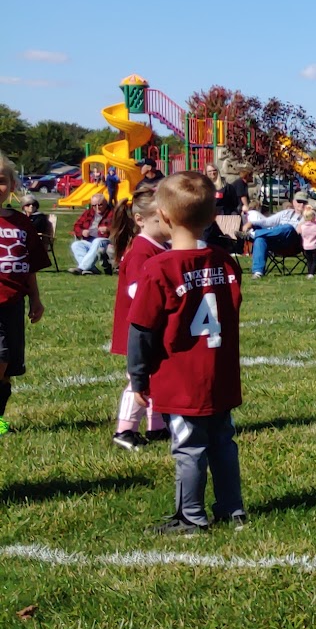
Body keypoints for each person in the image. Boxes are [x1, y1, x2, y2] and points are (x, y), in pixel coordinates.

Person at [125, 172, 245, 534]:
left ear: (162, 214)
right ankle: (232, 508)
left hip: (182, 377)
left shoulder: (159, 267)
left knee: (189, 446)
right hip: (220, 370)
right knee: (223, 441)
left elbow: (142, 330)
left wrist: (139, 377)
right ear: (212, 217)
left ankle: (190, 517)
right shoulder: (226, 261)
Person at [108, 188, 172, 449]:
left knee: (155, 376)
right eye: (161, 219)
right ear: (140, 220)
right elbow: (136, 290)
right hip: (138, 329)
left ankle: (156, 426)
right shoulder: (141, 251)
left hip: (152, 327)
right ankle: (125, 430)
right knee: (137, 380)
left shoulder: (158, 248)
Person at [0, 156, 51, 437]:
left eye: (1, 180)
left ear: (11, 185)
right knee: (1, 357)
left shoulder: (21, 223)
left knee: (8, 369)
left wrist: (36, 299)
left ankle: (0, 420)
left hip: (13, 303)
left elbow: (28, 266)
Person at [246, 196, 306, 278]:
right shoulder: (286, 213)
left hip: (294, 244)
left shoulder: (310, 215)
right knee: (260, 239)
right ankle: (258, 272)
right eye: (299, 201)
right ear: (294, 202)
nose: (302, 204)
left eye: (304, 202)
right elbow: (267, 222)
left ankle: (255, 234)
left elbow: (300, 231)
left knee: (287, 227)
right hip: (277, 243)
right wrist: (252, 223)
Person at [70, 199, 112, 273]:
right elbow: (76, 226)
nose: (97, 207)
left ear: (106, 204)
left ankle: (82, 268)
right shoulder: (88, 213)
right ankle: (91, 269)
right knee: (76, 244)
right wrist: (82, 232)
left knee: (97, 241)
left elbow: (120, 227)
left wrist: (108, 229)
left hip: (107, 241)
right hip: (90, 241)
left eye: (100, 205)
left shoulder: (112, 213)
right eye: (94, 205)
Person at [294, 202, 316, 276]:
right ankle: (312, 273)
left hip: (306, 246)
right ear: (313, 217)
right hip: (315, 246)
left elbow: (298, 232)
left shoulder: (302, 227)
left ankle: (309, 272)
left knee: (309, 260)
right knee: (315, 260)